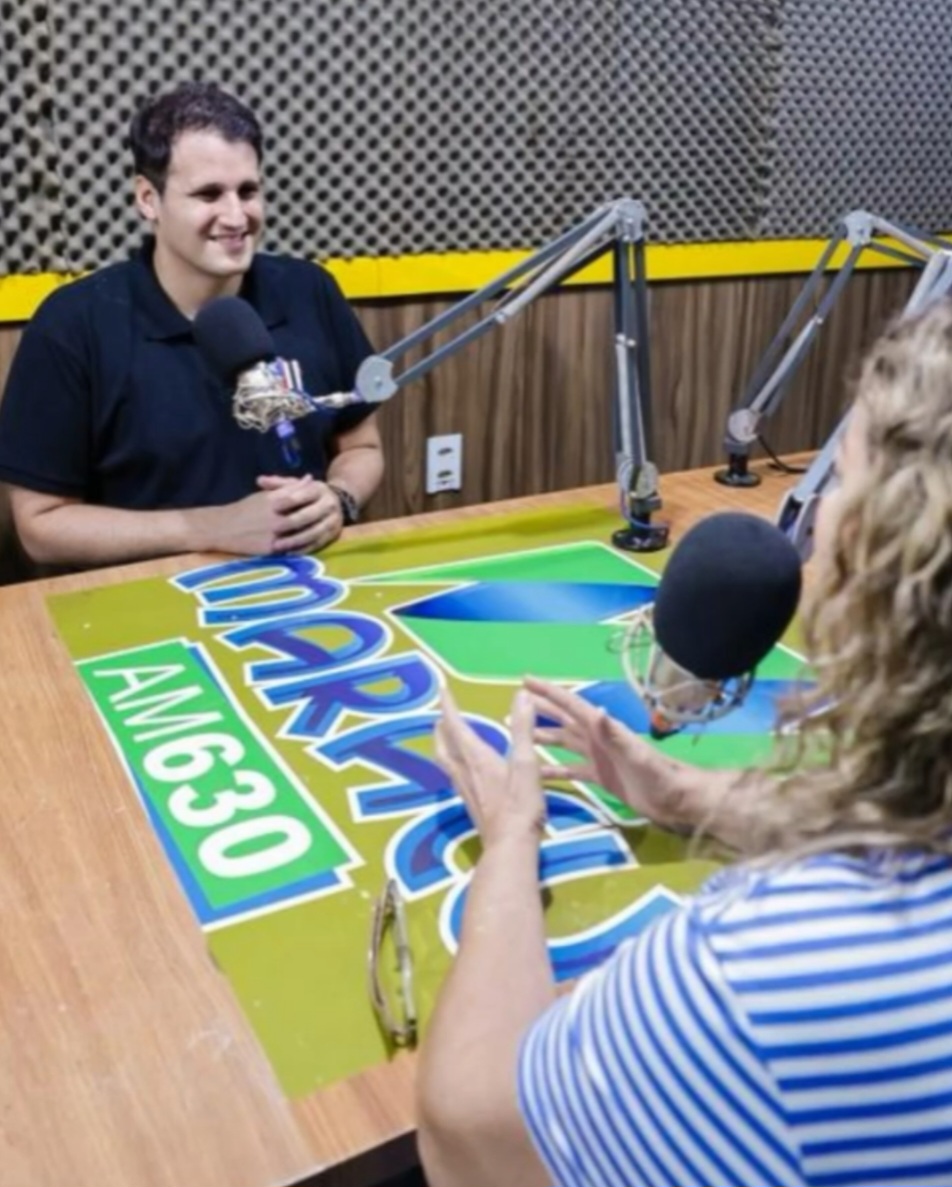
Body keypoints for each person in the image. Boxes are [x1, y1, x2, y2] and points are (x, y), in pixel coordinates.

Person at [418, 299, 952, 1187]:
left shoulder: (763, 970)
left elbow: (469, 1137)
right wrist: (684, 796)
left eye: (841, 489)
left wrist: (512, 836)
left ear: (888, 558)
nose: (814, 534)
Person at [0, 82, 383, 568]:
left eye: (248, 190)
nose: (235, 215)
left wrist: (340, 497)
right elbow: (40, 526)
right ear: (147, 199)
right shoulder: (73, 325)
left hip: (307, 583)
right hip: (145, 604)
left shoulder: (311, 291)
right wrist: (212, 528)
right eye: (208, 194)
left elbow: (362, 444)